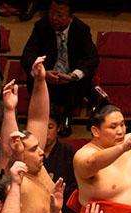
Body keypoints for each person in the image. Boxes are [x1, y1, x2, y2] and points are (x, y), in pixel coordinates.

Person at [1, 63, 76, 213]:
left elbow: (39, 119)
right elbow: (9, 145)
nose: (41, 151)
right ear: (18, 153)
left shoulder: (39, 168)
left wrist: (41, 82)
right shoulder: (16, 178)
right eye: (33, 149)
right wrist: (9, 111)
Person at [20, 0, 99, 136]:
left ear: (70, 17)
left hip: (70, 78)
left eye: (60, 15)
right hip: (48, 75)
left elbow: (92, 58)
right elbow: (27, 55)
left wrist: (73, 75)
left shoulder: (81, 29)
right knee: (32, 76)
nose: (54, 18)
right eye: (51, 13)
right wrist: (43, 72)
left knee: (83, 78)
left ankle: (68, 114)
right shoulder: (41, 26)